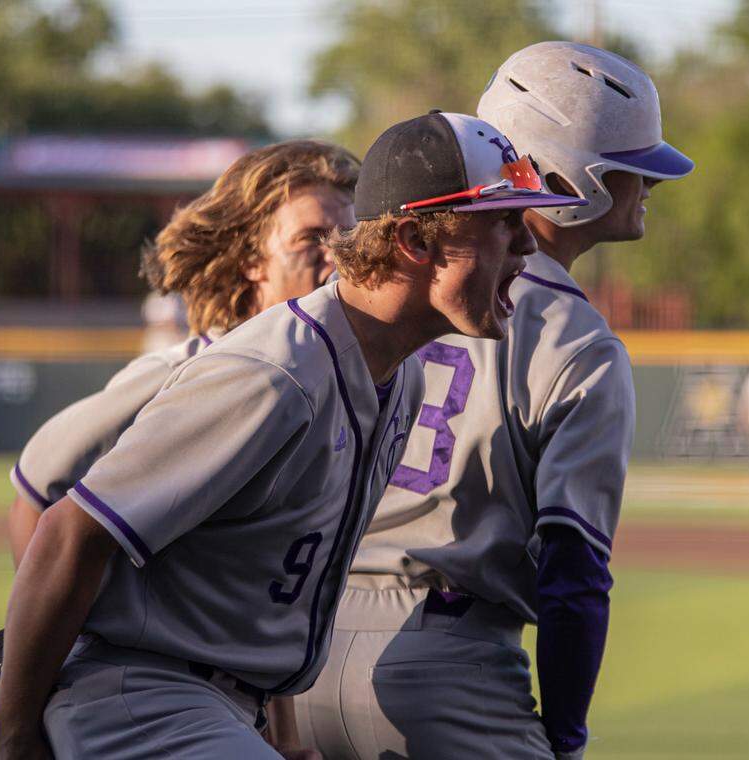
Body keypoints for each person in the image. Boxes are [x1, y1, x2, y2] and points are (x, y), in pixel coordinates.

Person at [0, 111, 584, 760]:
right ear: (413, 238)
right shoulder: (273, 375)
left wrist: (286, 736)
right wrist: (14, 737)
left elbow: (277, 578)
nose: (527, 246)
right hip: (143, 698)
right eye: (502, 221)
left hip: (218, 706)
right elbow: (68, 528)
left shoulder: (397, 377)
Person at [295, 42, 694, 760]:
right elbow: (573, 576)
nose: (650, 184)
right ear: (577, 180)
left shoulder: (374, 297)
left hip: (303, 649)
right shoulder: (581, 341)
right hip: (450, 663)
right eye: (633, 166)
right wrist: (566, 738)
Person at [6, 139, 358, 569]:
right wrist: (54, 635)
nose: (338, 256)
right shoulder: (183, 371)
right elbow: (38, 491)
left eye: (348, 237)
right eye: (311, 239)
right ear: (252, 260)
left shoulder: (341, 373)